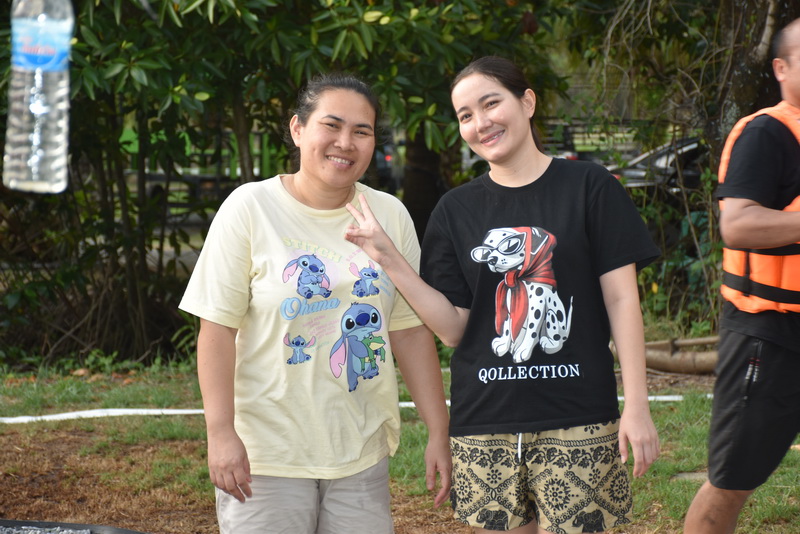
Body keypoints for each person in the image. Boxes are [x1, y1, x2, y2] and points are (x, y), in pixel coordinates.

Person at [345, 56, 660, 534]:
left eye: (491, 104)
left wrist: (636, 403)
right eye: (465, 115)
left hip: (579, 416)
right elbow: (454, 329)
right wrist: (388, 258)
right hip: (484, 423)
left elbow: (622, 301)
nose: (481, 122)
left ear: (527, 102)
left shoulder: (590, 187)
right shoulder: (455, 210)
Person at [178, 72, 451, 534]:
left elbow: (408, 331)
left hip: (360, 450)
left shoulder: (388, 214)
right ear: (298, 129)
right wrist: (220, 433)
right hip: (267, 456)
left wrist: (438, 430)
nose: (345, 143)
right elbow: (217, 329)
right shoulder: (250, 207)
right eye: (332, 125)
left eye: (362, 131)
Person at [684, 18, 800, 534]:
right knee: (731, 480)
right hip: (769, 334)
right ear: (781, 68)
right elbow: (738, 224)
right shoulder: (765, 133)